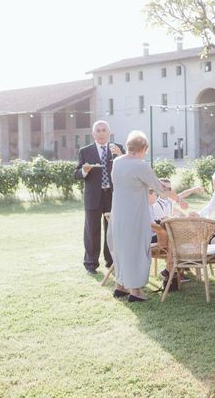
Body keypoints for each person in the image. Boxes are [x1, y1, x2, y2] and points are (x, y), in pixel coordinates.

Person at [107, 130, 177, 302]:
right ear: (144, 148)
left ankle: (120, 286)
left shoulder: (117, 162)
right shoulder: (141, 165)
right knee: (136, 251)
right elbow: (159, 187)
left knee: (122, 250)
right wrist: (177, 196)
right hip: (134, 215)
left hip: (118, 213)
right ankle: (135, 291)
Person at [74, 120, 125, 275]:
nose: (101, 133)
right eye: (98, 130)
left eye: (104, 130)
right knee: (91, 230)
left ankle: (111, 261)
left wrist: (121, 156)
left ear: (109, 133)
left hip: (113, 195)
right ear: (93, 134)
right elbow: (76, 174)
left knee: (112, 230)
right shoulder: (85, 151)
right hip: (93, 196)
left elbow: (127, 170)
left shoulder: (118, 149)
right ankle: (91, 264)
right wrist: (84, 171)